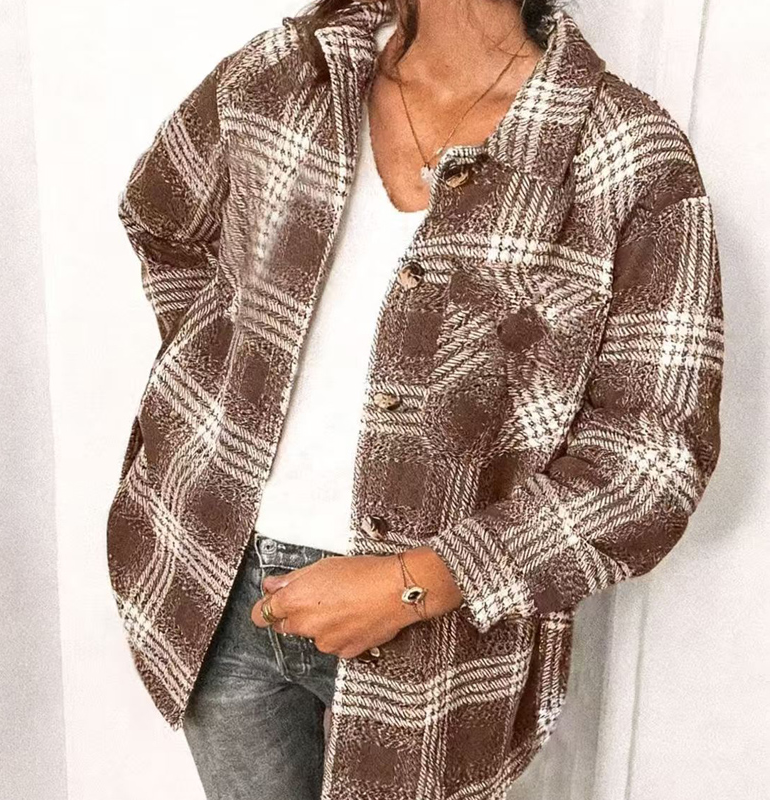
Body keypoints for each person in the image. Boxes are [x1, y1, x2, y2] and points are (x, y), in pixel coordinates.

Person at [105, 0, 724, 798]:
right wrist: (219, 394)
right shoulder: (289, 73)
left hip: (437, 647)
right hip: (211, 580)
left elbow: (654, 459)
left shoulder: (623, 155)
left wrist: (423, 578)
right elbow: (164, 220)